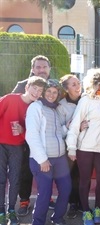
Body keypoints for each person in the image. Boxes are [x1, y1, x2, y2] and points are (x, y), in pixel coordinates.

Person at [66, 68, 100, 225]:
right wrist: (72, 148)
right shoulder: (85, 100)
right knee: (84, 180)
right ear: (95, 84)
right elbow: (75, 125)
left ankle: (97, 208)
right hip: (85, 148)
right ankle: (86, 211)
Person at [11, 55, 55, 216]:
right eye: (38, 67)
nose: (41, 70)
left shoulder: (53, 85)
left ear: (49, 69)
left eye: (44, 67)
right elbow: (14, 107)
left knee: (47, 168)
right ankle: (24, 201)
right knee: (24, 170)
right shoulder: (23, 85)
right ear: (32, 69)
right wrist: (19, 127)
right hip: (24, 137)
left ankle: (47, 198)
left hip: (47, 137)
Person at [0, 76, 47, 225]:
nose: (37, 92)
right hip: (0, 144)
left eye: (40, 90)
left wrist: (22, 129)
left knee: (15, 179)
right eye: (34, 88)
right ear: (27, 87)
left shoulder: (36, 107)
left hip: (18, 146)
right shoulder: (10, 99)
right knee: (1, 180)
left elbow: (35, 131)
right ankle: (1, 211)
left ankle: (11, 210)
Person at [25, 79, 71, 225]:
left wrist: (68, 128)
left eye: (55, 92)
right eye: (49, 91)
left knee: (66, 189)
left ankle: (57, 218)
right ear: (44, 93)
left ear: (58, 94)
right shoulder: (35, 107)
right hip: (43, 160)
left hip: (60, 158)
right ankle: (38, 222)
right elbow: (31, 135)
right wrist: (42, 159)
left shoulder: (55, 109)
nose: (51, 94)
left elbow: (58, 133)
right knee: (45, 194)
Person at [56, 74, 83, 219]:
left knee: (83, 176)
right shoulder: (61, 105)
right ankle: (73, 203)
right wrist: (69, 127)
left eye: (78, 83)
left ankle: (83, 203)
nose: (78, 86)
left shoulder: (86, 100)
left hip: (86, 146)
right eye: (73, 84)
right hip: (69, 147)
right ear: (66, 89)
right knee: (72, 176)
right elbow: (58, 129)